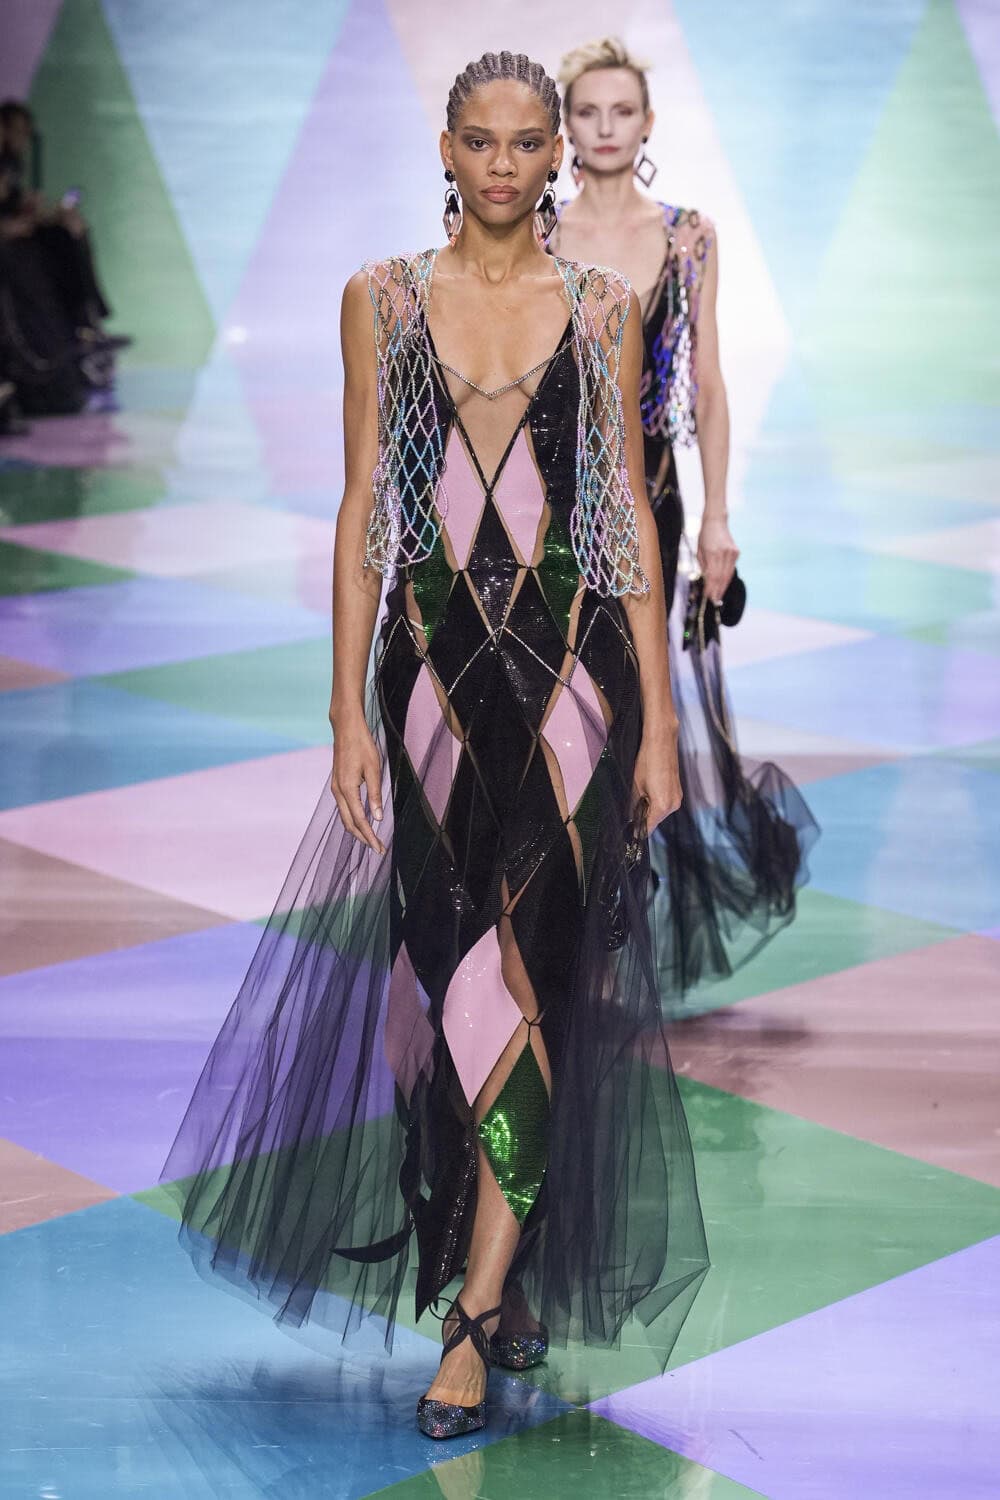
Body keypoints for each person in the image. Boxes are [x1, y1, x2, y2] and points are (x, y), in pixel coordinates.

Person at [162, 51, 707, 1440]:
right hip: (428, 681)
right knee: (445, 971)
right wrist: (343, 705)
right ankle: (493, 1257)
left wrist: (659, 726)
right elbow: (364, 507)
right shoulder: (383, 299)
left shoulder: (604, 304)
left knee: (532, 979)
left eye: (529, 142)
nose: (507, 165)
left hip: (574, 680)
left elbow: (626, 522)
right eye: (482, 140)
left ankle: (473, 1311)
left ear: (555, 153)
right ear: (447, 148)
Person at [551, 39, 818, 1001]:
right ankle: (562, 901)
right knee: (554, 699)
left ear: (648, 123)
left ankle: (615, 904)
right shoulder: (538, 234)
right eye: (588, 112)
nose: (606, 127)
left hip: (651, 499)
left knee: (631, 697)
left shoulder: (690, 237)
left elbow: (705, 381)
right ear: (566, 125)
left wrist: (717, 517)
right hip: (548, 500)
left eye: (622, 111)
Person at [0, 100, 126, 413]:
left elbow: (15, 211)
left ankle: (87, 318)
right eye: (15, 130)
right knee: (33, 262)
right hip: (10, 249)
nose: (20, 138)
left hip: (18, 240)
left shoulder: (11, 166)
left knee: (68, 236)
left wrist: (48, 216)